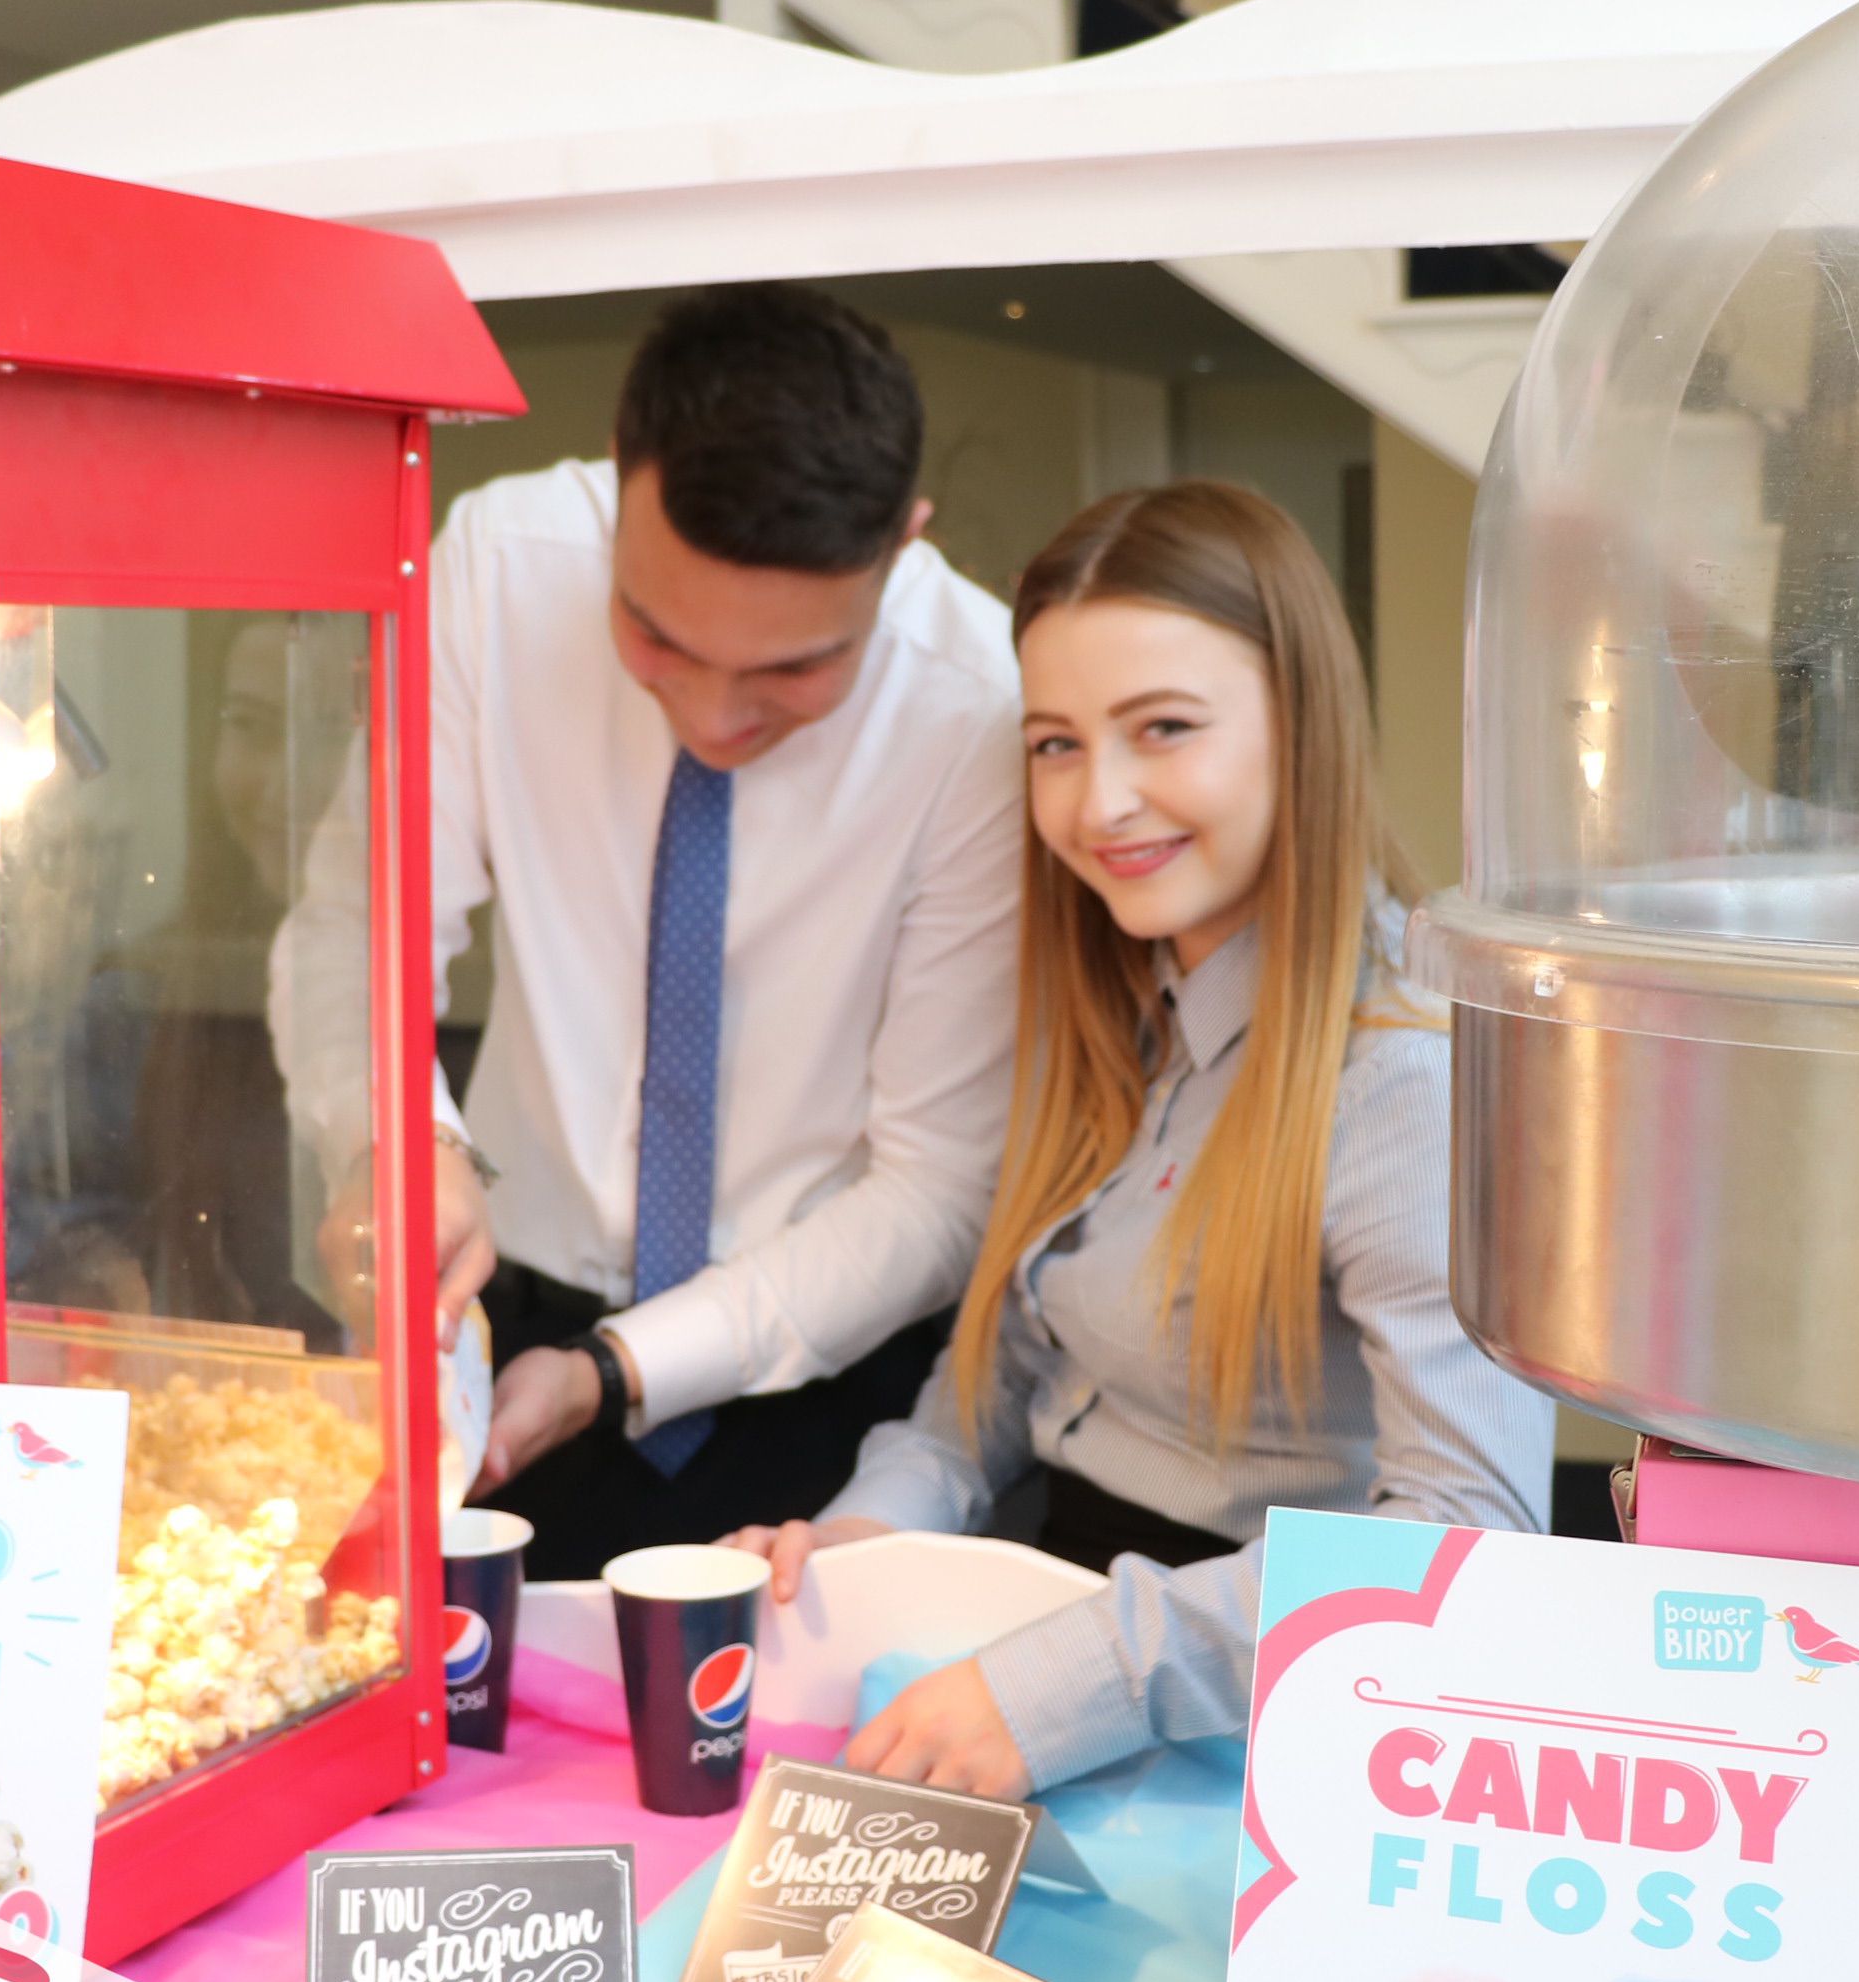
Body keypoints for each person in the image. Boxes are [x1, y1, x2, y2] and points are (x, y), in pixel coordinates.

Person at [728, 480, 1555, 1797]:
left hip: (1267, 1748)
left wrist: (1073, 1679)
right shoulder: (1122, 1005)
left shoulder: (1407, 1074)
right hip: (1035, 1679)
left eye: (1162, 729)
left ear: (1302, 728)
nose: (1099, 803)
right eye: (1055, 744)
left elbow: (1466, 1545)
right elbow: (995, 1378)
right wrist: (865, 1544)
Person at [271, 284, 1022, 1577]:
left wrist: (619, 1372)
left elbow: (935, 1189)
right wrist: (397, 1150)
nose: (715, 716)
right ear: (621, 483)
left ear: (905, 542)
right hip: (502, 1324)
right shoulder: (495, 573)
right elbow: (352, 935)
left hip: (826, 1372)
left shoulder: (980, 709)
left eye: (793, 670)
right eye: (657, 634)